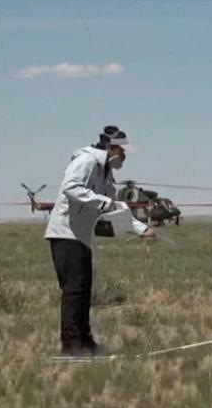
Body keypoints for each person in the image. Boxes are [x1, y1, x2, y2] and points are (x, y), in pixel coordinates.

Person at [44, 125, 155, 356]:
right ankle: (71, 346)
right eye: (123, 152)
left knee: (84, 290)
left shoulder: (105, 173)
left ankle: (85, 341)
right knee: (74, 291)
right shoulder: (86, 161)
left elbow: (116, 208)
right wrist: (104, 202)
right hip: (65, 234)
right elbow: (71, 188)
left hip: (82, 238)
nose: (124, 157)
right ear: (113, 148)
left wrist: (141, 229)